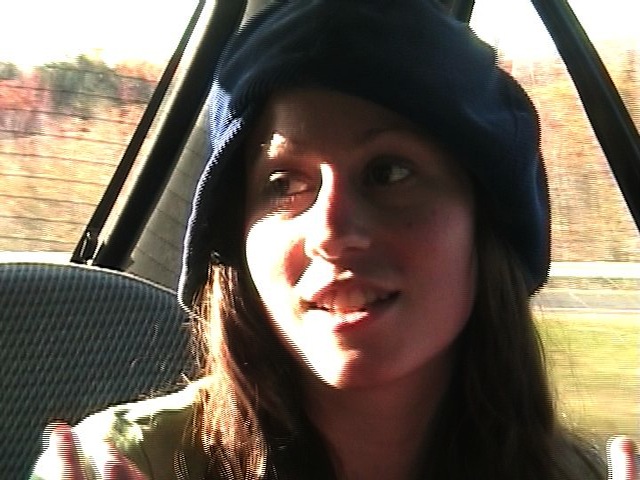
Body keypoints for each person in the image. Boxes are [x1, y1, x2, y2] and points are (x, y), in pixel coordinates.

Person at [30, 1, 638, 479]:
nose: (331, 232)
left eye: (389, 172)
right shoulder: (118, 463)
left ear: (486, 225)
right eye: (283, 184)